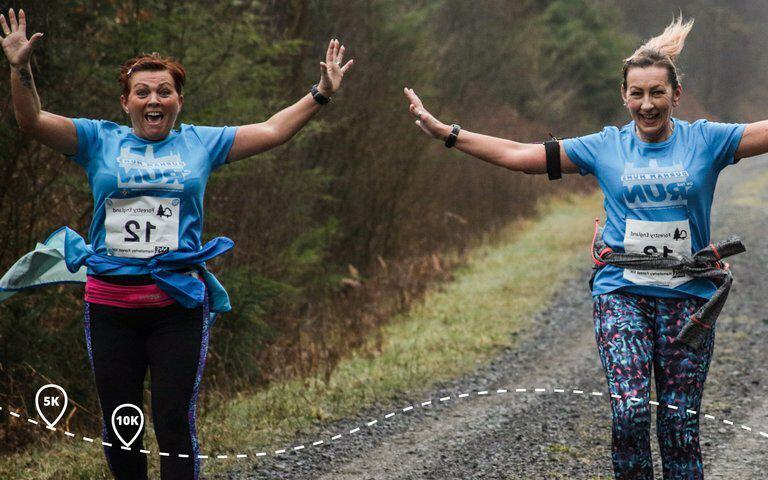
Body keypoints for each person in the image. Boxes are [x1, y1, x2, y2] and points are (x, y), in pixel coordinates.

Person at [404, 17, 768, 480]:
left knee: (679, 427)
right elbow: (521, 156)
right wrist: (447, 134)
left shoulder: (707, 139)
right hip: (621, 294)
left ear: (677, 94)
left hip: (690, 301)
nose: (647, 104)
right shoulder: (604, 147)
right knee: (631, 412)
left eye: (658, 93)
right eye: (637, 94)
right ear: (624, 96)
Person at [0, 8, 353, 480]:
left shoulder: (200, 144)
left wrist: (321, 94)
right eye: (142, 91)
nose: (154, 99)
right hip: (110, 307)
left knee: (172, 420)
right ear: (125, 103)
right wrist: (20, 68)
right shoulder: (96, 140)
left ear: (178, 101)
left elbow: (272, 130)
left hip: (177, 307)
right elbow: (32, 121)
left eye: (164, 91)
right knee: (122, 423)